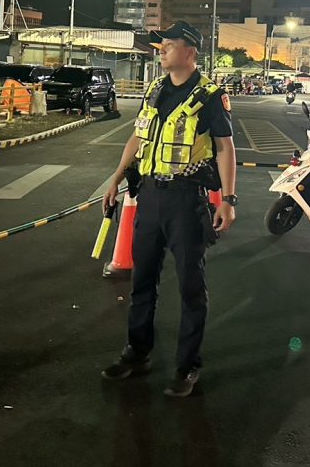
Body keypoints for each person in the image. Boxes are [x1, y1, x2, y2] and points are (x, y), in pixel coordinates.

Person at [101, 20, 237, 398]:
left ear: (189, 52)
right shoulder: (155, 88)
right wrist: (116, 176)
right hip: (149, 197)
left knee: (191, 286)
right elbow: (138, 135)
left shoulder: (210, 96)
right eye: (160, 45)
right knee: (142, 281)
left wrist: (228, 200)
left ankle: (187, 365)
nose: (161, 50)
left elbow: (225, 148)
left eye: (168, 45)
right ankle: (137, 351)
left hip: (186, 201)